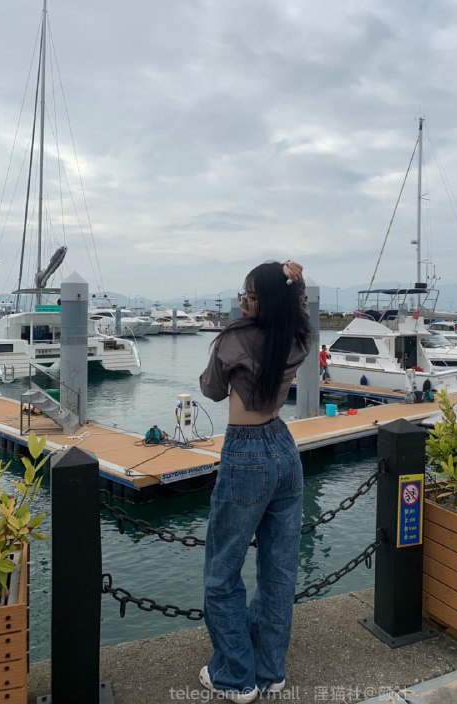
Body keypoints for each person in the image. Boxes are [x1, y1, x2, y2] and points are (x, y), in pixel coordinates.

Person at [199, 259, 312, 702]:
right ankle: (270, 670)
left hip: (245, 453)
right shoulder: (297, 338)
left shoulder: (235, 338)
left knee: (221, 573)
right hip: (284, 449)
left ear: (263, 301)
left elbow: (211, 389)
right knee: (279, 570)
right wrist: (298, 285)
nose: (244, 302)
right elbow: (300, 313)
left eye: (249, 295)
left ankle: (235, 677)